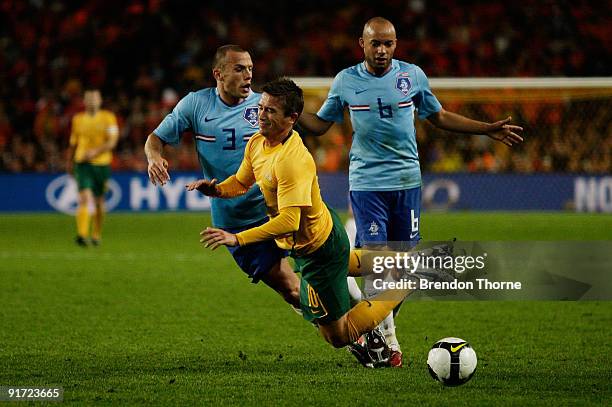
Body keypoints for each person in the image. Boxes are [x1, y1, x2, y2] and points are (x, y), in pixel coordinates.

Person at [297, 17, 524, 367]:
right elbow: (320, 124)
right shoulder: (346, 80)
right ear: (362, 44)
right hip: (367, 183)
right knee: (379, 261)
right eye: (375, 43)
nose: (382, 50)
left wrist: (486, 129)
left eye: (388, 43)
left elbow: (440, 116)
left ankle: (374, 327)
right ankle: (387, 340)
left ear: (396, 44)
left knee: (401, 269)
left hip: (407, 183)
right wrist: (290, 111)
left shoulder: (413, 76)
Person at [191, 78, 414, 365]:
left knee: (338, 335)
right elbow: (242, 180)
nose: (261, 114)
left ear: (291, 118)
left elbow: (289, 221)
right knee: (342, 264)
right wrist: (218, 190)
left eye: (271, 111)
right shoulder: (258, 142)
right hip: (318, 241)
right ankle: (395, 263)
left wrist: (238, 238)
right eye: (261, 107)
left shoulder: (292, 160)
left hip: (317, 248)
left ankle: (402, 284)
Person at [144, 45, 300, 309]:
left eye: (250, 68)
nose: (248, 75)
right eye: (239, 69)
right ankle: (361, 334)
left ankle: (374, 326)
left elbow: (293, 149)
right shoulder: (196, 104)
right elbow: (155, 139)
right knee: (292, 289)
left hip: (282, 208)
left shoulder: (266, 105)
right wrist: (154, 157)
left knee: (332, 270)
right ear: (218, 73)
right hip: (239, 219)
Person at [67, 89, 119, 246]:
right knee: (84, 197)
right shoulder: (77, 119)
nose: (92, 101)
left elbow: (112, 142)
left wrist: (95, 151)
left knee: (99, 201)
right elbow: (73, 143)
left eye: (94, 98)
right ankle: (82, 235)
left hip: (102, 164)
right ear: (84, 101)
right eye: (88, 98)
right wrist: (69, 162)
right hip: (82, 163)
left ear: (100, 100)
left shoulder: (108, 118)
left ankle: (96, 234)